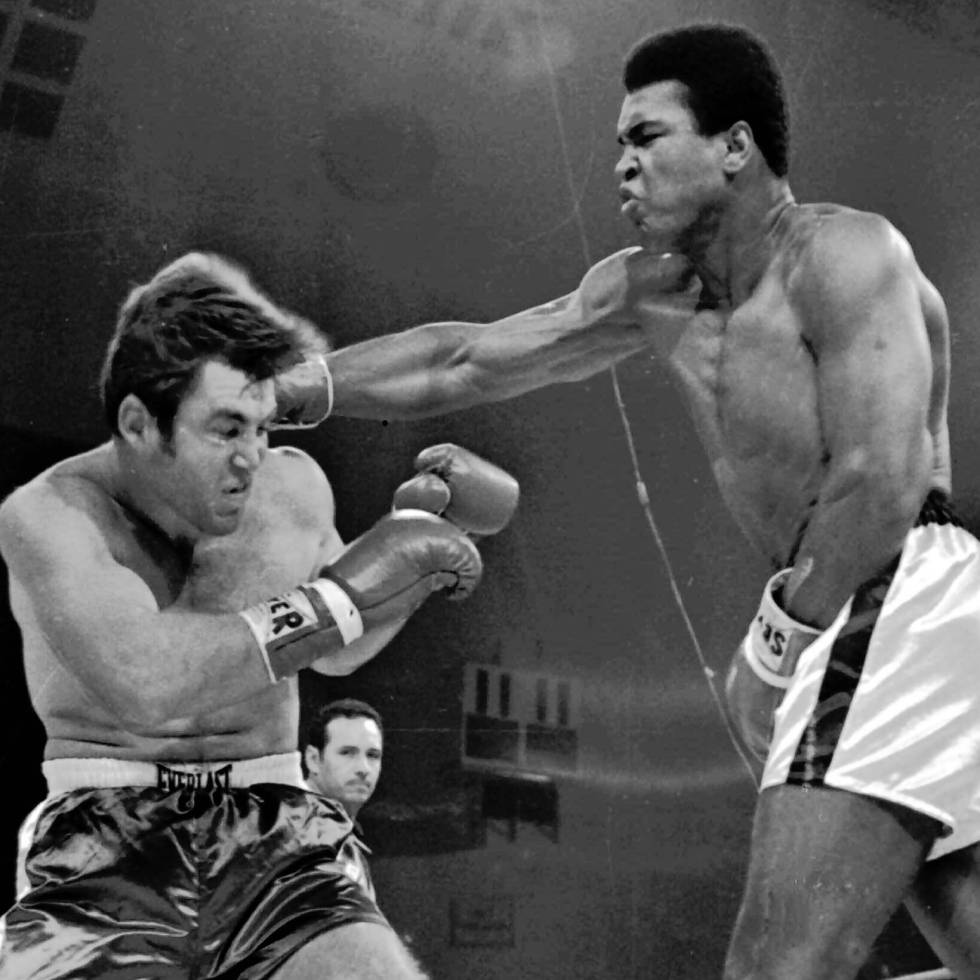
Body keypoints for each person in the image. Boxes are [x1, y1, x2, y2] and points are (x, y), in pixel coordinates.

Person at [290, 22, 980, 980]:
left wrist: (775, 647)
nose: (621, 165)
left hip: (893, 592)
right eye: (618, 144)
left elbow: (882, 479)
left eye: (647, 137)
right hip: (868, 615)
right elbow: (466, 358)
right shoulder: (647, 291)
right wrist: (301, 388)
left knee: (776, 968)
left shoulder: (845, 254)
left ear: (734, 146)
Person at [0, 251, 520, 979]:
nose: (253, 458)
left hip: (274, 835)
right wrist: (342, 597)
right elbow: (144, 681)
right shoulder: (52, 515)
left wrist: (417, 553)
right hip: (106, 848)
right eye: (226, 430)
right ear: (139, 423)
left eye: (262, 427)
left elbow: (336, 648)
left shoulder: (292, 488)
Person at [303, 699, 385, 901]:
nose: (363, 768)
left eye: (373, 755)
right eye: (347, 753)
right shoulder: (294, 832)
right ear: (313, 759)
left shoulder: (343, 838)